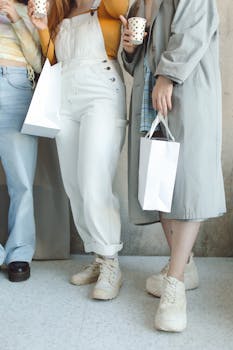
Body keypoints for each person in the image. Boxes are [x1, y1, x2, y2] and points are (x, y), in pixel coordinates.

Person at [121, 0, 226, 332]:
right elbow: (137, 57)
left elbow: (194, 29)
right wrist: (129, 47)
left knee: (187, 184)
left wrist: (167, 75)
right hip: (150, 97)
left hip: (185, 90)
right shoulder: (140, 3)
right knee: (159, 179)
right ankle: (185, 265)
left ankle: (176, 285)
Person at [28, 0, 129, 300]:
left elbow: (122, 5)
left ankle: (111, 261)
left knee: (93, 178)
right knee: (74, 184)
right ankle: (98, 256)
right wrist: (44, 29)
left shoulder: (106, 6)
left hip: (101, 91)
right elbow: (54, 59)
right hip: (65, 95)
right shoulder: (63, 10)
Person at [0, 0, 41, 281]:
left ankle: (19, 252)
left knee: (21, 179)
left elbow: (39, 60)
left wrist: (16, 18)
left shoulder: (30, 9)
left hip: (15, 82)